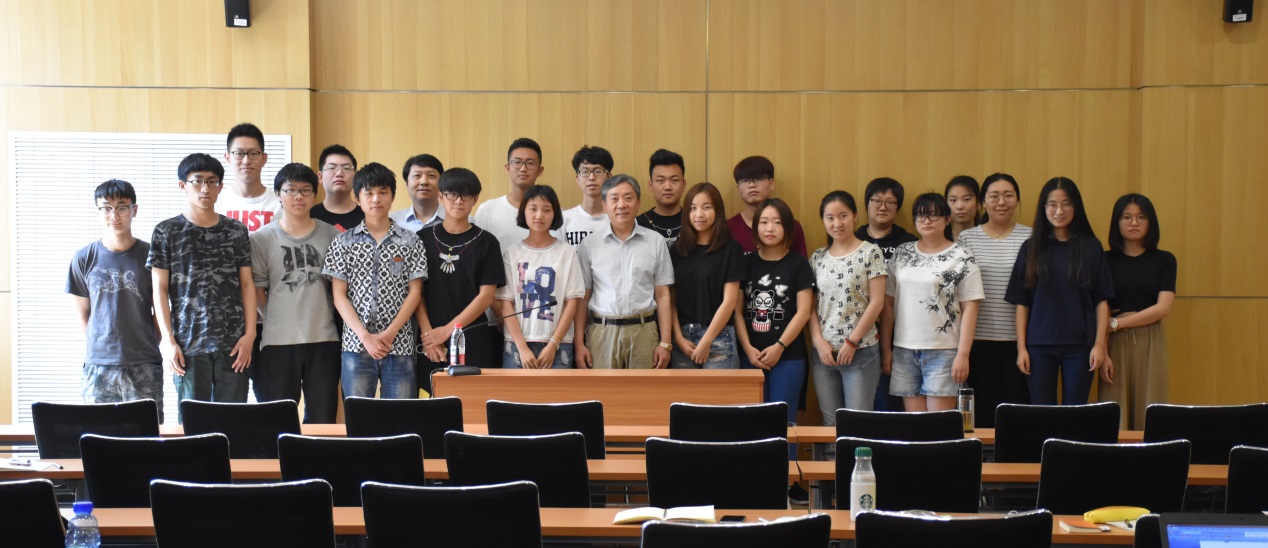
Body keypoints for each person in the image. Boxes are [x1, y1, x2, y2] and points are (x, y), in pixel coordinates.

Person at [149, 153, 256, 418]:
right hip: (188, 346)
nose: (205, 188)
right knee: (192, 425)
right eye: (197, 181)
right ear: (182, 185)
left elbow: (246, 285)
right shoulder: (166, 231)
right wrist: (168, 342)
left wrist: (250, 335)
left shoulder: (236, 230)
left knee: (233, 423)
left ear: (220, 186)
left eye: (212, 181)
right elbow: (159, 290)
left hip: (233, 345)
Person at [1006, 177, 1114, 406]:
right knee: (1042, 413)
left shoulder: (1091, 247)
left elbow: (1101, 301)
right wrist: (1021, 348)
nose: (1059, 211)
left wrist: (1099, 346)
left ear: (1076, 207)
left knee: (1075, 413)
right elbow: (1022, 303)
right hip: (1038, 346)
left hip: (1081, 346)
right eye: (1052, 204)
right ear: (1043, 208)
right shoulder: (1030, 248)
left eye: (1066, 204)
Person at [733, 198, 814, 503]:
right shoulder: (746, 263)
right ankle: (755, 484)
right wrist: (748, 348)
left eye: (777, 222)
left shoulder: (798, 264)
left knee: (785, 421)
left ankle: (786, 485)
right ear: (756, 227)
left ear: (788, 228)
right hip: (749, 356)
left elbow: (804, 312)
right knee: (751, 422)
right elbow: (737, 310)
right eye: (764, 222)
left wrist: (779, 346)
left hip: (788, 357)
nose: (770, 228)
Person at [323, 163, 427, 399]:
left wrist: (389, 334)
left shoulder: (411, 241)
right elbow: (338, 295)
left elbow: (415, 293)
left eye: (382, 192)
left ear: (392, 197)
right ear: (357, 198)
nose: (376, 199)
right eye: (368, 193)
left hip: (399, 344)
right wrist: (365, 337)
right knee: (359, 416)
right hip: (356, 345)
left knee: (401, 416)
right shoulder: (343, 242)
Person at [250, 163, 341, 423]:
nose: (298, 196)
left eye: (305, 190)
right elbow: (257, 290)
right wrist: (275, 316)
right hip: (277, 342)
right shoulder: (261, 238)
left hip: (324, 340)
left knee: (323, 420)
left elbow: (339, 289)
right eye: (291, 190)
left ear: (314, 194)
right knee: (278, 420)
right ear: (278, 194)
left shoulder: (332, 235)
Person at [67, 180, 164, 421]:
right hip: (98, 365)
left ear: (134, 210)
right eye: (106, 208)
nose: (114, 215)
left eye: (122, 207)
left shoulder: (152, 256)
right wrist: (102, 347)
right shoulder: (84, 258)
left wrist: (150, 339)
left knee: (147, 433)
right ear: (97, 211)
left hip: (144, 363)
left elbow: (161, 308)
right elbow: (83, 316)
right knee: (97, 433)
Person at [883, 193, 983, 412]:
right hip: (904, 349)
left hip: (944, 351)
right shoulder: (902, 253)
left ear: (947, 219)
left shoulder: (961, 256)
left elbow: (971, 308)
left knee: (938, 426)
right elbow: (888, 304)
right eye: (920, 216)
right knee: (914, 425)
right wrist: (886, 348)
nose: (926, 221)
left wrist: (963, 355)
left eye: (933, 215)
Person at [575, 174, 675, 369]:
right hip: (602, 333)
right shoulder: (589, 244)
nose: (621, 204)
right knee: (603, 388)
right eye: (614, 199)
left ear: (638, 204)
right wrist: (579, 343)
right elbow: (582, 298)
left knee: (644, 388)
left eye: (628, 198)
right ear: (605, 205)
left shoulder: (656, 241)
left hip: (644, 332)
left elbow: (663, 295)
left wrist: (665, 343)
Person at [956, 173, 1033, 427]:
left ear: (1017, 201)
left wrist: (1023, 344)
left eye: (1008, 195)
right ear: (983, 202)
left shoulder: (1032, 237)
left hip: (1020, 341)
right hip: (977, 339)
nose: (1001, 202)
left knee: (1017, 412)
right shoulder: (967, 239)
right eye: (994, 196)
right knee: (982, 412)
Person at [416, 168, 506, 375]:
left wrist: (447, 331)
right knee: (429, 394)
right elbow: (416, 292)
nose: (458, 201)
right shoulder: (422, 239)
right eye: (452, 194)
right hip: (430, 342)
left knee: (471, 395)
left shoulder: (487, 242)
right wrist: (429, 336)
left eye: (466, 195)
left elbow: (486, 296)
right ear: (440, 196)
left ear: (475, 199)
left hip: (472, 339)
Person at [808, 191, 887, 422]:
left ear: (855, 216)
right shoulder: (817, 257)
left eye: (843, 216)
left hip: (860, 352)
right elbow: (810, 306)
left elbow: (877, 302)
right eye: (830, 218)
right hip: (824, 355)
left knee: (858, 422)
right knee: (830, 423)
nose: (837, 223)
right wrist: (818, 342)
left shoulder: (871, 252)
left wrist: (852, 342)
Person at [1101, 193, 1175, 429]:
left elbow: (1162, 308)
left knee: (1150, 406)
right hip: (1112, 341)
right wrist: (1103, 352)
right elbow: (1101, 307)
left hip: (1150, 338)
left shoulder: (1165, 260)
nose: (1134, 222)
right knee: (1114, 409)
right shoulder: (1104, 260)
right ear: (1117, 222)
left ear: (1151, 222)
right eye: (1127, 217)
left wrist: (1118, 323)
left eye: (1141, 217)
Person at [497, 185, 585, 368]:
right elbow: (506, 303)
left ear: (555, 214)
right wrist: (522, 347)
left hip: (559, 345)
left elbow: (572, 302)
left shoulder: (567, 252)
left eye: (546, 210)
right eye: (533, 209)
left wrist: (553, 344)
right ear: (524, 211)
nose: (539, 215)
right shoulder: (511, 253)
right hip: (516, 345)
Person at [855, 177, 918, 411]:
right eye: (877, 201)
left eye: (890, 202)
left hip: (900, 333)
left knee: (889, 403)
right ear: (867, 204)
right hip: (858, 334)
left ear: (898, 207)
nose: (883, 207)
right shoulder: (853, 239)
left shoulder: (909, 243)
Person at [669, 182, 744, 369]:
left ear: (717, 211)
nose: (699, 214)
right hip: (683, 340)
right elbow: (671, 300)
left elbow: (730, 301)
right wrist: (678, 338)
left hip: (719, 338)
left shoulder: (731, 249)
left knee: (716, 391)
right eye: (693, 208)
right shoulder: (677, 250)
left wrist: (706, 341)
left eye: (706, 207)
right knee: (683, 391)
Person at [726, 156, 808, 256]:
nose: (751, 185)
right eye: (745, 180)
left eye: (758, 178)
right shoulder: (728, 228)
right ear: (738, 188)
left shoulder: (791, 226)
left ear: (771, 183)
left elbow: (800, 263)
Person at [472, 137, 546, 248]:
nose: (523, 168)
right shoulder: (487, 211)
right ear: (507, 168)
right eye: (517, 162)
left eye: (530, 163)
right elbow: (476, 252)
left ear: (540, 170)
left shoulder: (551, 213)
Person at [218, 123, 280, 233]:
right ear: (228, 158)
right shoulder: (217, 203)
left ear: (264, 158)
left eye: (254, 153)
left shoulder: (279, 204)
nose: (246, 161)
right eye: (239, 153)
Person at [561, 145, 614, 247]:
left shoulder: (620, 218)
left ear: (609, 177)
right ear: (577, 178)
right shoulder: (564, 219)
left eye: (598, 171)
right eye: (585, 172)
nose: (591, 177)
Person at [637, 149, 687, 246]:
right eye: (660, 180)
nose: (667, 187)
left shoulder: (694, 222)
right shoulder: (638, 224)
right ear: (651, 185)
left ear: (684, 185)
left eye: (674, 180)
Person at [309, 144, 364, 232]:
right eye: (331, 167)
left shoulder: (368, 217)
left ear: (356, 177)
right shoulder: (308, 216)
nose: (339, 173)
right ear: (320, 177)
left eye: (346, 168)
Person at [390, 154, 446, 232]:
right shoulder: (392, 222)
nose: (424, 182)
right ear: (407, 183)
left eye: (431, 175)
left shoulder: (459, 220)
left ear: (441, 183)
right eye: (417, 175)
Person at [945, 175, 981, 239]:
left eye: (966, 199)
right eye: (953, 200)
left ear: (978, 204)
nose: (959, 207)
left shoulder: (988, 239)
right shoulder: (939, 240)